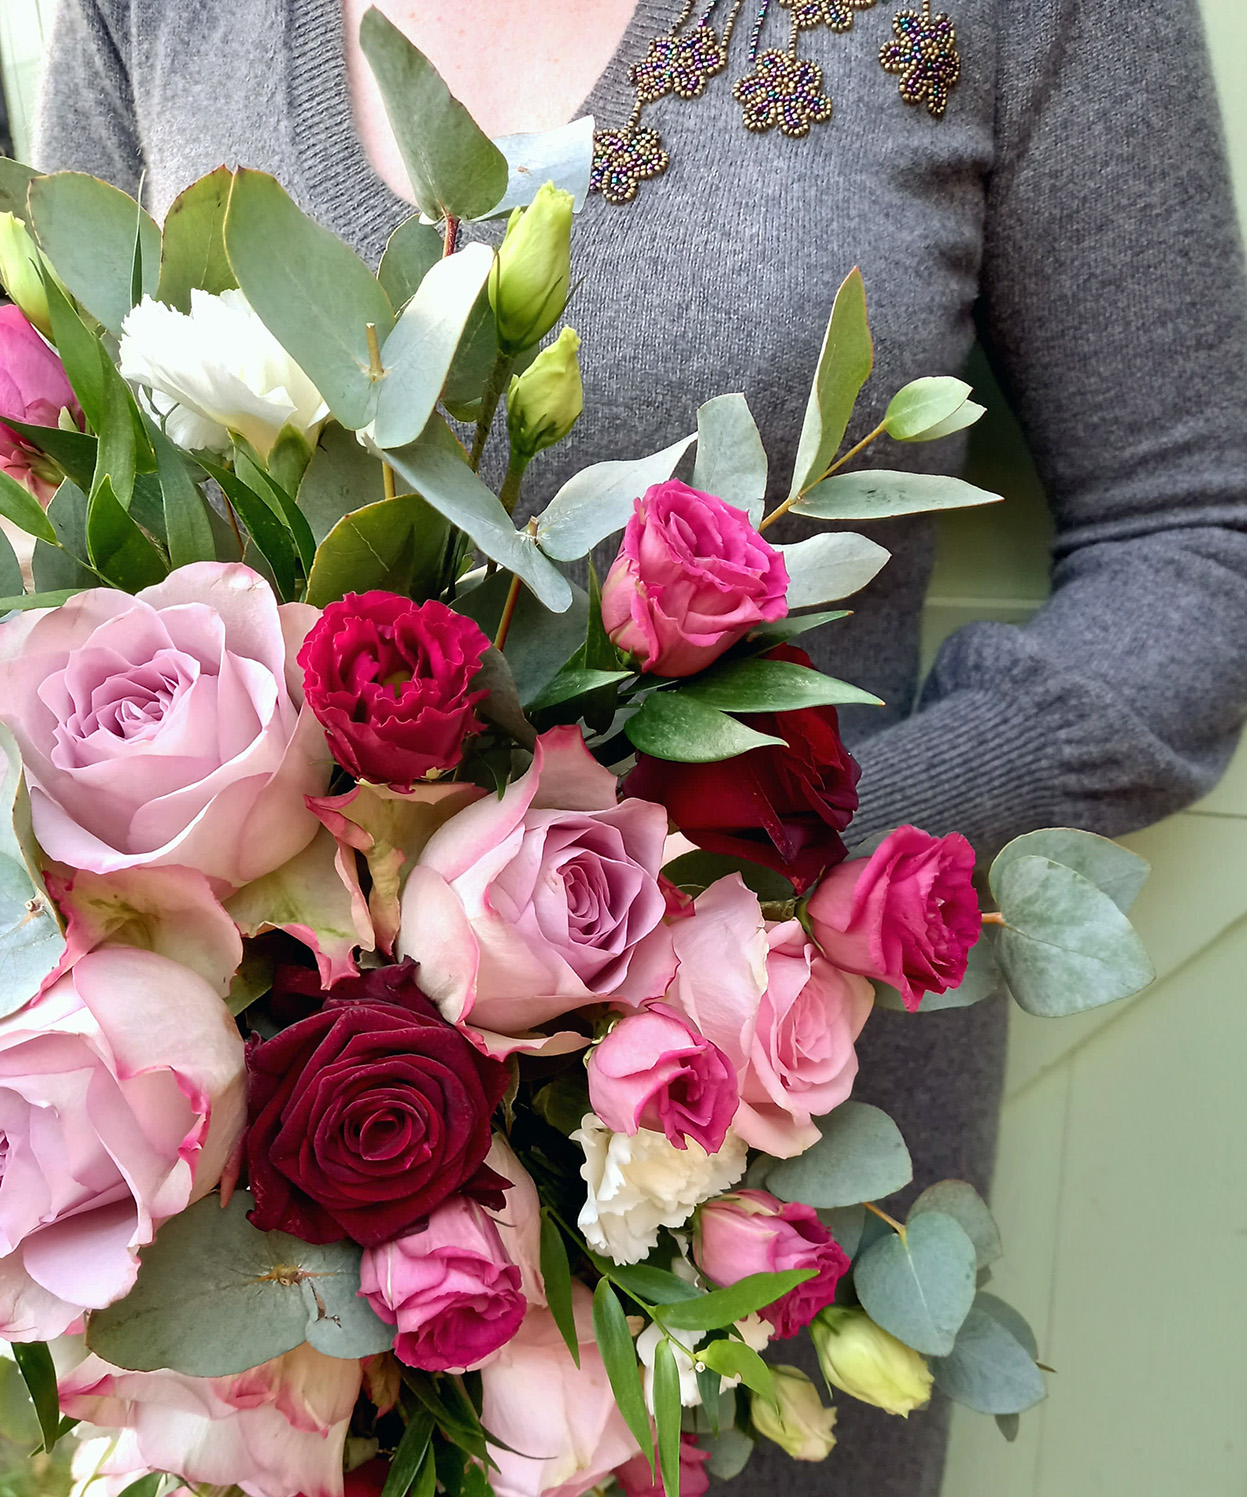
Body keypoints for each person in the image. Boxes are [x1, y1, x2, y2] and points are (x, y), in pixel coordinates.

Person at [30, 1, 1247, 1492]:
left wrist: (777, 883)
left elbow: (1201, 540)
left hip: (741, 1200)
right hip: (248, 1274)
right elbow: (71, 566)